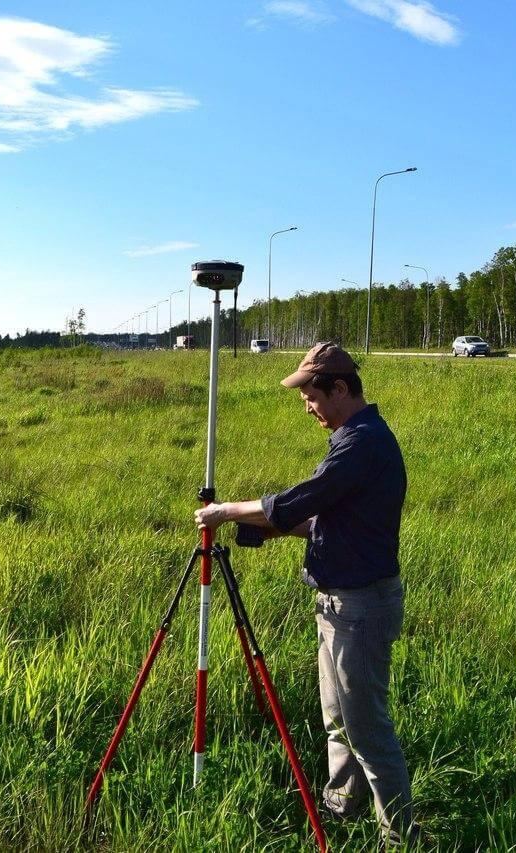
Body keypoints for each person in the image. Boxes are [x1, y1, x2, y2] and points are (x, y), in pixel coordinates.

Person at [194, 341, 417, 846]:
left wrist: (227, 510)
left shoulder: (362, 444)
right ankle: (341, 808)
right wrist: (267, 530)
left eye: (312, 397)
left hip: (359, 605)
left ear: (339, 388)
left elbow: (303, 500)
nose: (308, 407)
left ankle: (400, 836)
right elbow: (330, 519)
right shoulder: (354, 439)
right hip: (340, 601)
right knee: (337, 719)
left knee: (367, 729)